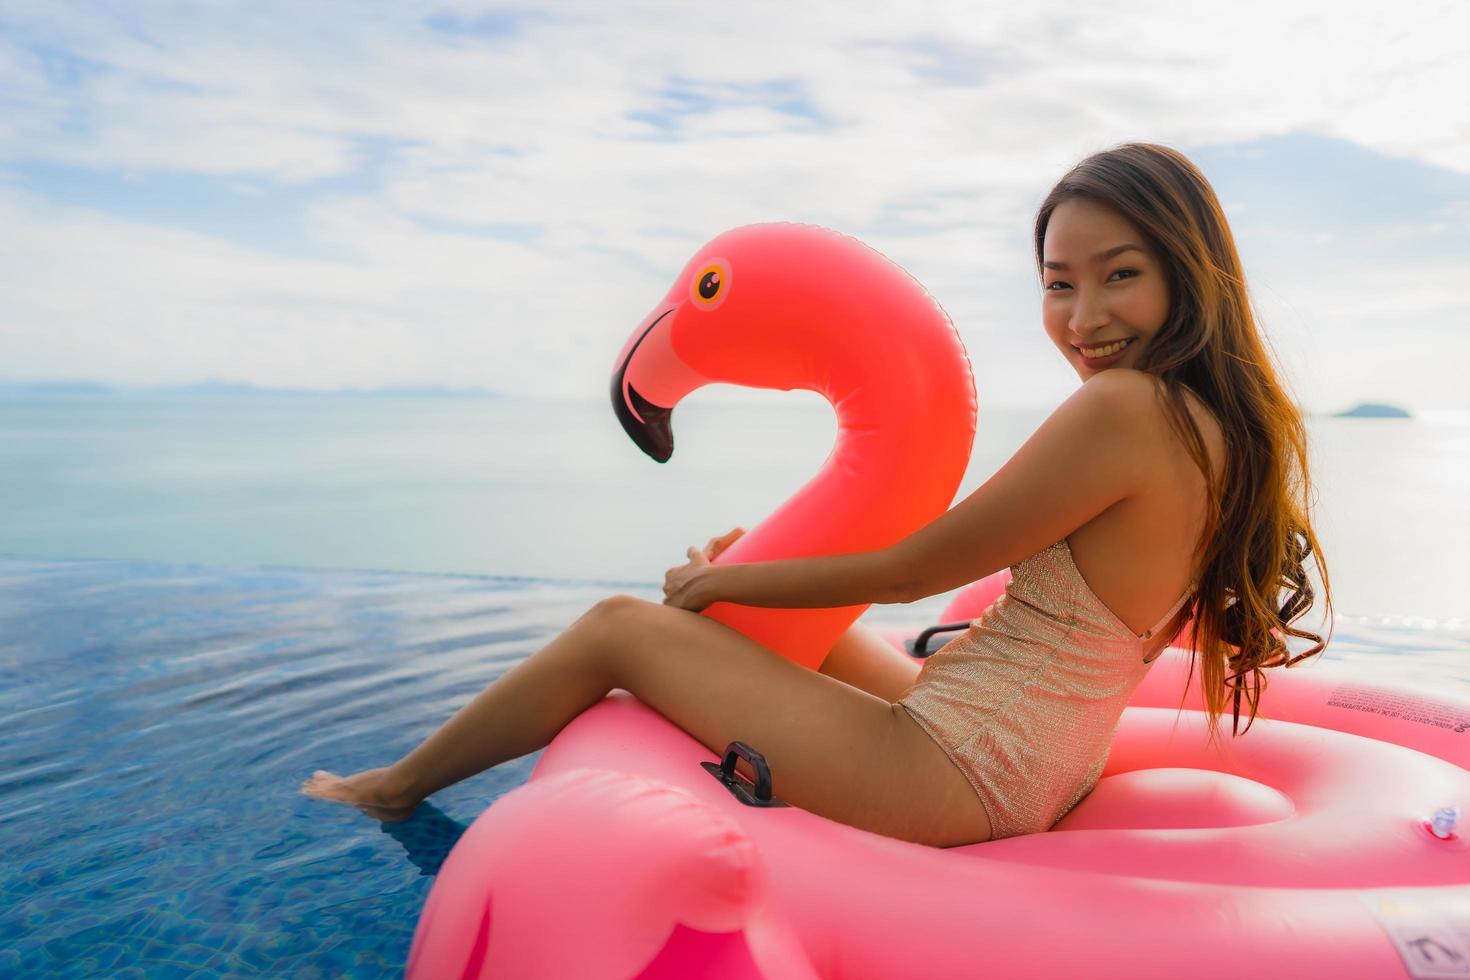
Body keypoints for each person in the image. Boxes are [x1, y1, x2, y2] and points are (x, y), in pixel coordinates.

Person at [302, 143, 1331, 846]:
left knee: (621, 625)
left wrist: (711, 589)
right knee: (775, 598)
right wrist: (756, 568)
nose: (1083, 313)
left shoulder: (1126, 410)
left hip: (955, 768)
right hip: (1028, 754)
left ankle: (389, 788)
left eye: (1121, 274)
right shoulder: (1219, 424)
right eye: (1059, 282)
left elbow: (918, 565)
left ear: (1190, 273)